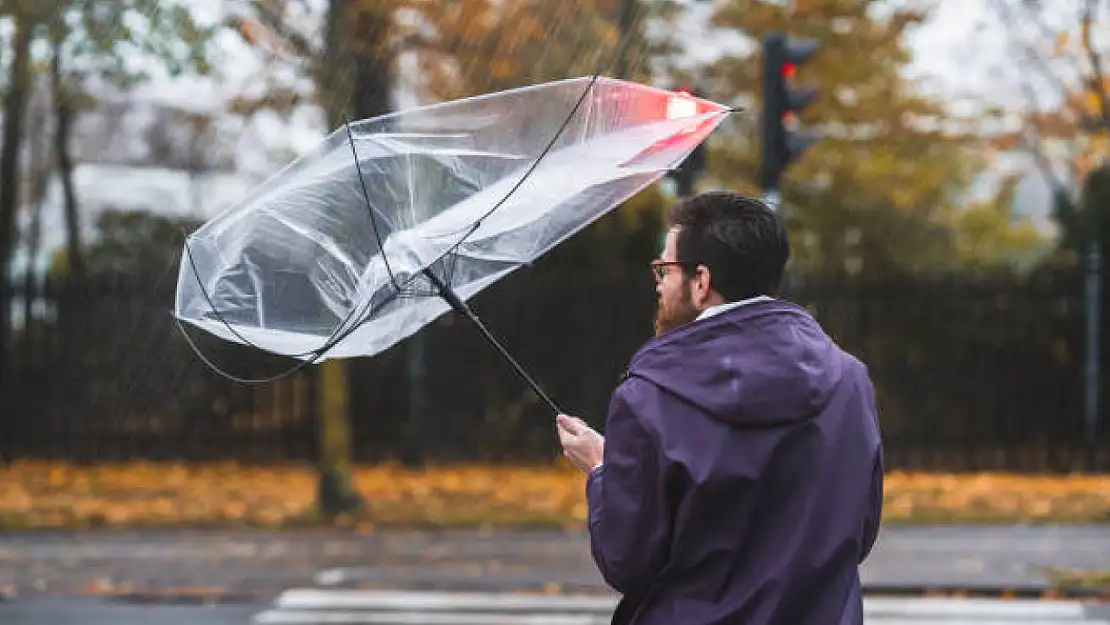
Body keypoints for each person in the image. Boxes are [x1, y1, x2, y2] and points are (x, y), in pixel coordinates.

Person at [556, 191, 884, 625]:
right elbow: (857, 534)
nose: (658, 282)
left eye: (665, 269)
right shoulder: (850, 380)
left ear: (701, 281)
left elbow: (626, 561)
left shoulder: (650, 398)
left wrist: (602, 472)